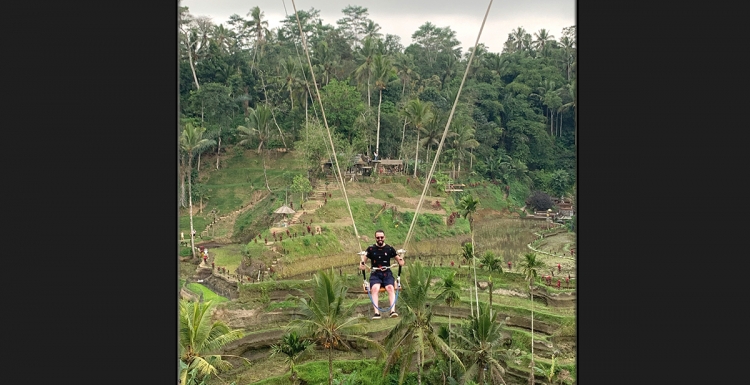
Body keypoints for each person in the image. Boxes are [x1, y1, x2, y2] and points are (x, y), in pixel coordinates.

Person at [360, 229, 405, 319]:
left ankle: (392, 311)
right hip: (375, 273)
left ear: (384, 237)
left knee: (390, 288)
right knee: (375, 289)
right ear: (375, 238)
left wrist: (401, 260)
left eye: (381, 237)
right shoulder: (371, 249)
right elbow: (363, 262)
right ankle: (377, 313)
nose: (380, 239)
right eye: (378, 237)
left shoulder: (389, 249)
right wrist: (362, 265)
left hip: (387, 273)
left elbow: (399, 261)